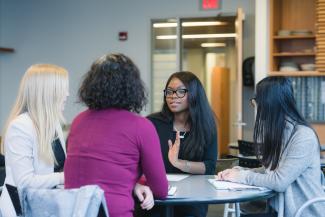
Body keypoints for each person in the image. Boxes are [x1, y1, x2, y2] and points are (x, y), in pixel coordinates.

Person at [64, 53, 168, 217]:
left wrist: (133, 184)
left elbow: (97, 173)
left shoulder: (78, 121)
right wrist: (138, 183)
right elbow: (161, 190)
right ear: (132, 87)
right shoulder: (141, 126)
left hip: (72, 212)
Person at [218, 76, 325, 217]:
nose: (255, 106)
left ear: (269, 103)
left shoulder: (303, 136)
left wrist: (242, 176)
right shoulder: (282, 131)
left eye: (256, 101)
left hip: (303, 212)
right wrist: (241, 171)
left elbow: (279, 181)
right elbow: (273, 171)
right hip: (279, 210)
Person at [140, 71, 218, 217]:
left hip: (193, 197)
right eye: (169, 91)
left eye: (181, 91)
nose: (173, 96)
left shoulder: (206, 125)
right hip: (156, 196)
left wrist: (179, 163)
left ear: (194, 94)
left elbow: (209, 167)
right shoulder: (152, 123)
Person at [0, 64, 69, 217]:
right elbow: (25, 182)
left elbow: (57, 167)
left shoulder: (54, 124)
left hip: (46, 206)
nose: (67, 94)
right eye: (63, 89)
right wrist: (64, 177)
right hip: (21, 209)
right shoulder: (20, 126)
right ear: (47, 93)